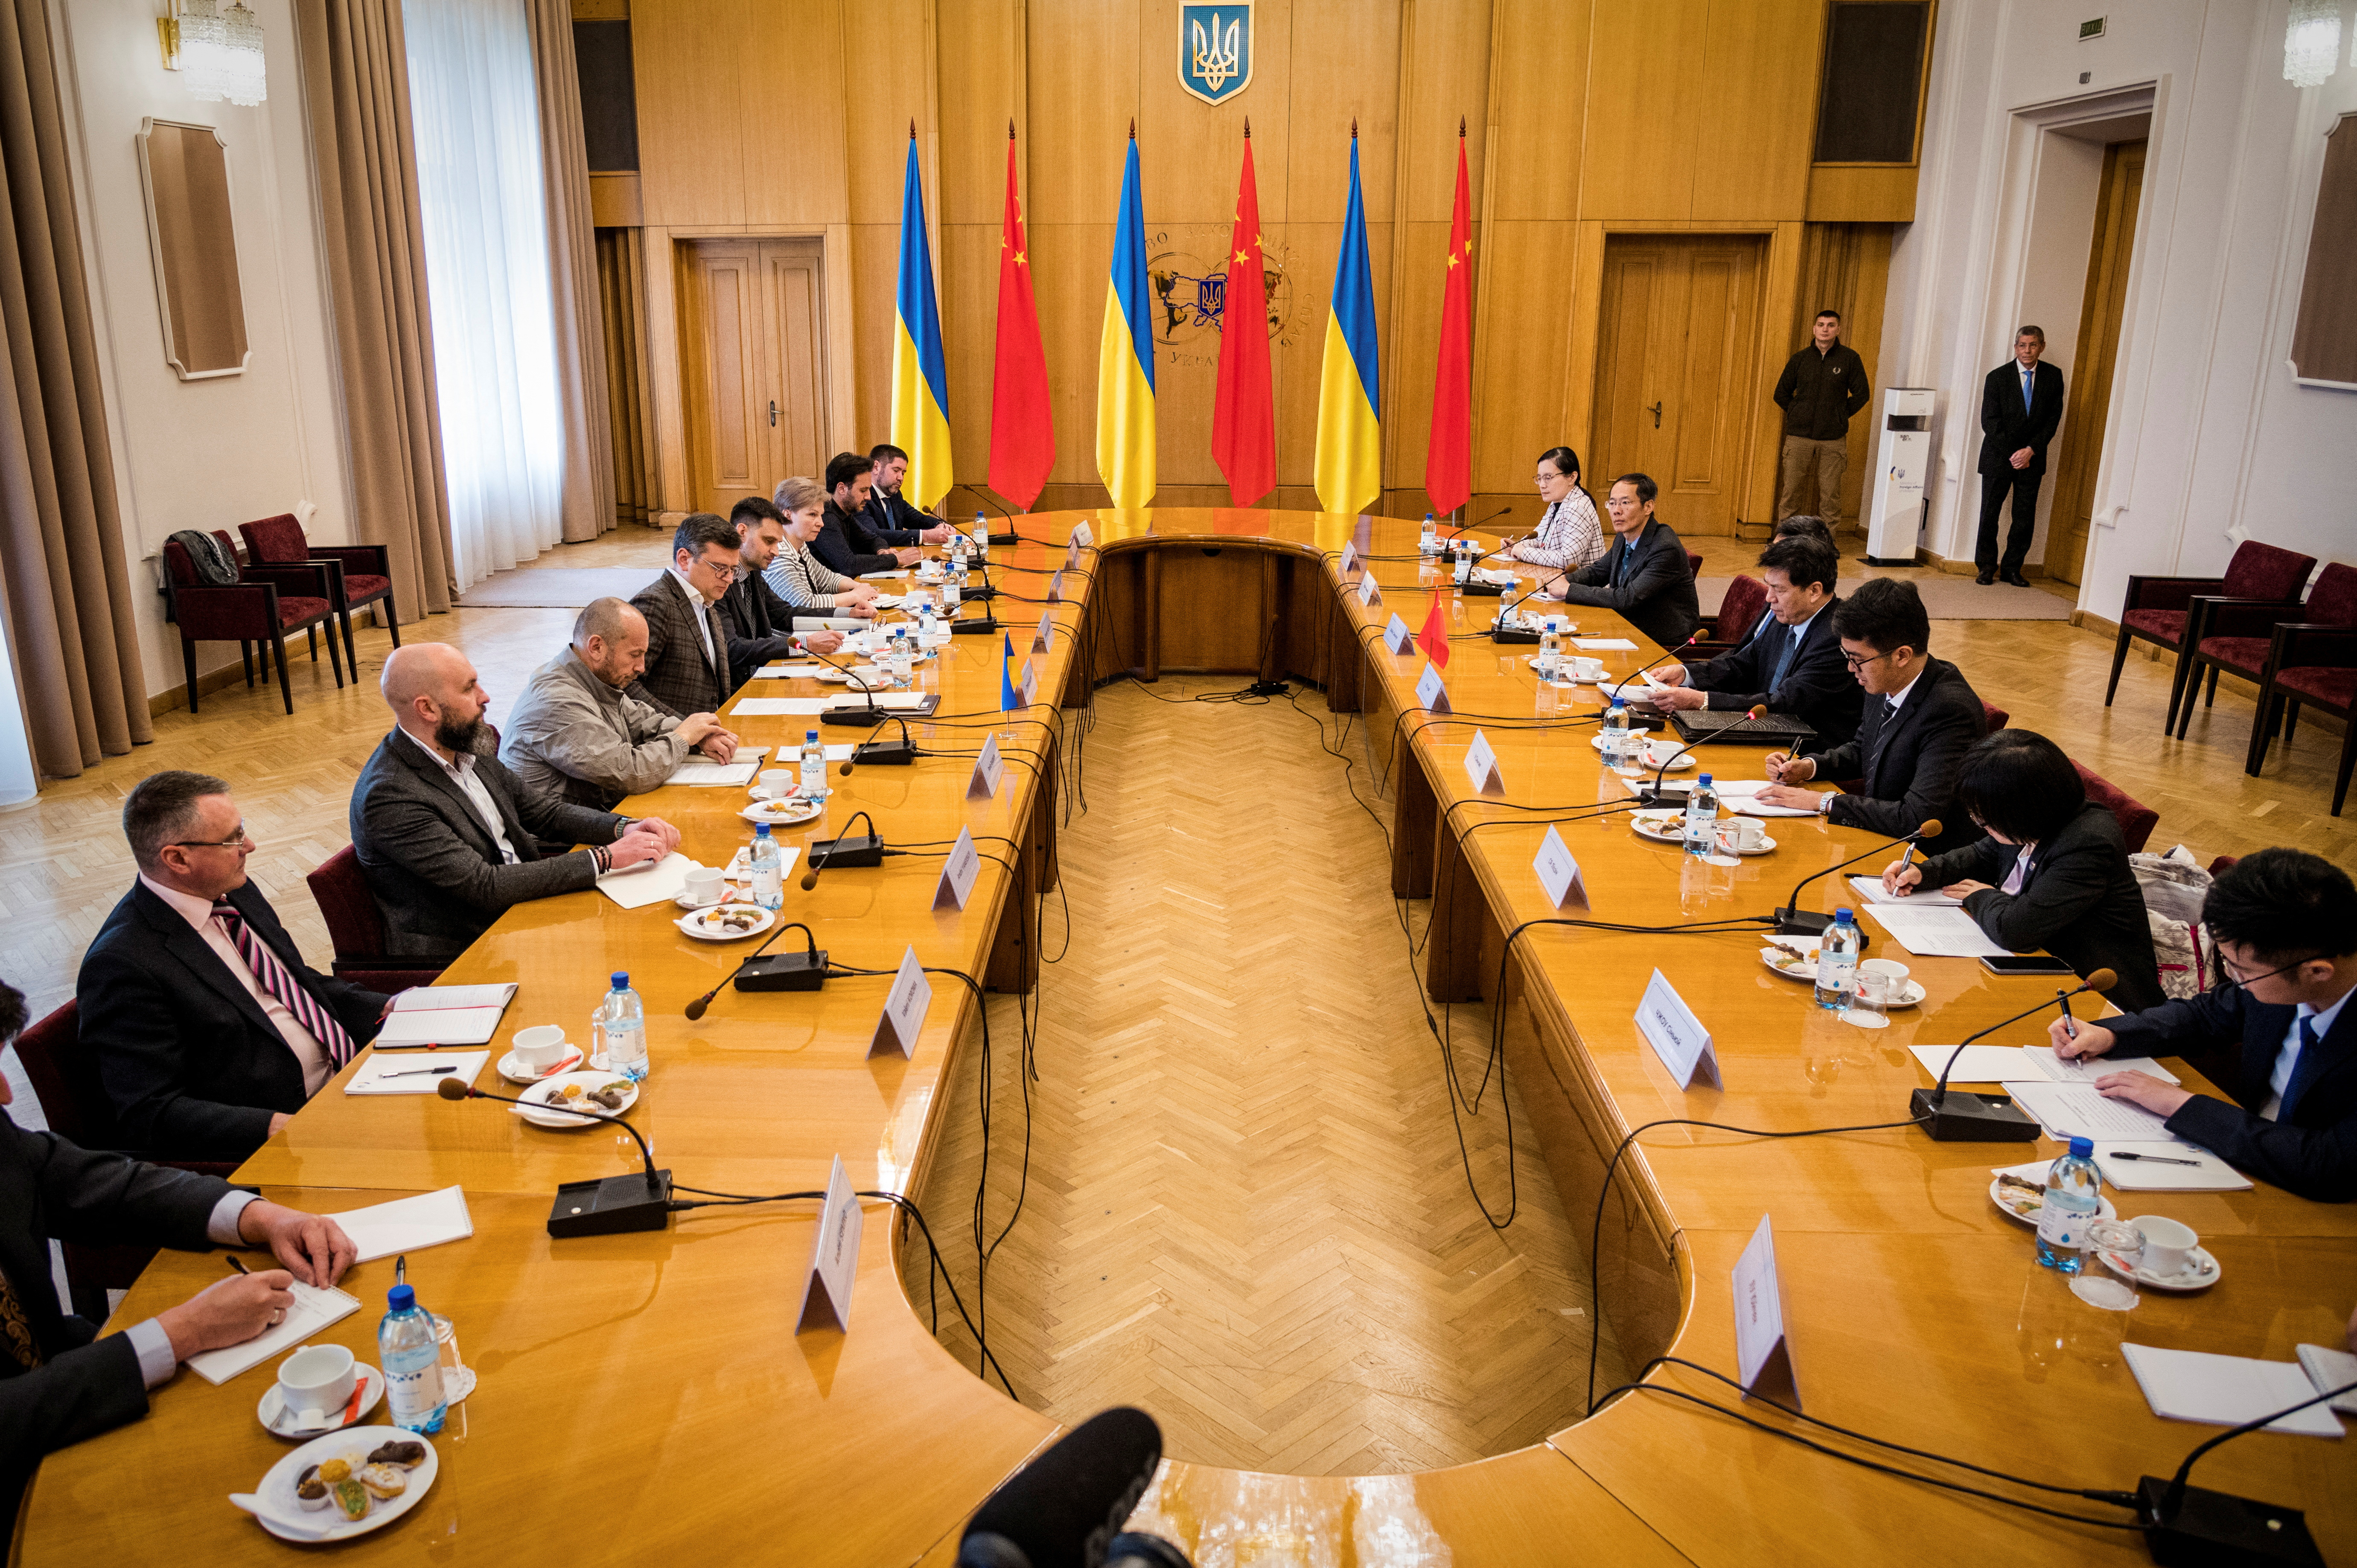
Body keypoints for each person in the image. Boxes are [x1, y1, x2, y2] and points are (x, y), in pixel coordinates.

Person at [1, 978, 359, 1519]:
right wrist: (182, 1332)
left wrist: (258, 1215)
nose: (6, 1094)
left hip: (82, 1399)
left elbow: (106, 1185)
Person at [77, 773, 391, 1158]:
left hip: (357, 1082)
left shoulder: (234, 889)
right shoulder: (123, 965)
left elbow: (296, 982)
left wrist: (386, 1007)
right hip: (284, 1142)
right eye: (233, 839)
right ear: (177, 858)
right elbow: (150, 1111)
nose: (251, 846)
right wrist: (276, 1126)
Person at [2052, 849, 2357, 1202]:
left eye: (2240, 970)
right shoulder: (2279, 976)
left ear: (2317, 972)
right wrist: (2110, 1034)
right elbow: (2206, 1013)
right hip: (2240, 1170)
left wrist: (2181, 1105)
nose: (2233, 978)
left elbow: (2329, 1165)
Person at [351, 644, 679, 958]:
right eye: (469, 688)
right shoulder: (391, 795)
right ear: (427, 709)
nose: (485, 697)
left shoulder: (467, 746)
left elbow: (544, 813)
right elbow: (484, 886)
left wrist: (624, 827)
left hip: (526, 907)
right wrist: (606, 858)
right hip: (472, 948)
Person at [1883, 730, 2164, 1012]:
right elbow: (1983, 853)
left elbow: (2015, 930)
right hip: (2035, 968)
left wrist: (1980, 895)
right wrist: (1922, 872)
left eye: (1985, 819)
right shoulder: (2034, 821)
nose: (1981, 825)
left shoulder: (2087, 843)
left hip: (2095, 999)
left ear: (2024, 810)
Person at [1756, 577, 1986, 857]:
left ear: (1902, 655)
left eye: (1856, 659)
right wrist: (1808, 766)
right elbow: (1863, 748)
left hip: (1920, 860)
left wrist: (1822, 801)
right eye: (1846, 655)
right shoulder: (1883, 678)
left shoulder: (1949, 711)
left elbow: (1916, 817)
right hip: (1876, 837)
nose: (1851, 669)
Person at [500, 599, 738, 812]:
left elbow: (644, 720)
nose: (642, 667)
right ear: (596, 647)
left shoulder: (594, 677)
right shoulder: (555, 701)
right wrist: (684, 737)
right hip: (557, 842)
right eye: (635, 654)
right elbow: (631, 773)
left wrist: (700, 737)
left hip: (593, 815)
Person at [1645, 535, 1863, 742]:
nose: (1769, 598)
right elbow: (1744, 664)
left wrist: (1700, 701)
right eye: (1769, 586)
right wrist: (1687, 674)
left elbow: (1786, 704)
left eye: (1779, 589)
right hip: (1766, 728)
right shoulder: (1788, 616)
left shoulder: (1837, 639)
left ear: (1815, 591)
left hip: (1805, 747)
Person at [1543, 473, 1701, 652]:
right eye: (1612, 503)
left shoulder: (1665, 548)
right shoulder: (1624, 537)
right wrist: (1558, 582)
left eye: (1625, 503)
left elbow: (1628, 598)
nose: (1616, 510)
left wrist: (1568, 590)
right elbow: (1597, 573)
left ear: (1648, 506)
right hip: (1627, 629)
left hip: (1662, 643)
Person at [722, 497, 845, 688]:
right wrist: (804, 643)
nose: (776, 552)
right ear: (742, 533)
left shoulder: (753, 574)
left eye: (778, 543)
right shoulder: (721, 581)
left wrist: (848, 614)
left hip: (765, 677)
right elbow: (733, 649)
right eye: (769, 541)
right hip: (739, 690)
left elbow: (786, 614)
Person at [1975, 326, 2064, 588]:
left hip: (2033, 459)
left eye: (2033, 345)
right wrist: (2015, 453)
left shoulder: (2053, 376)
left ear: (2042, 347)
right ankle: (1986, 567)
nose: (2027, 351)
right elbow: (1989, 422)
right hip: (1998, 457)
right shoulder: (1997, 377)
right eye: (2023, 346)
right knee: (1989, 515)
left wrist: (2030, 451)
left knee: (2024, 517)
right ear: (2015, 348)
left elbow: (2053, 419)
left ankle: (2012, 569)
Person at [629, 513, 741, 718]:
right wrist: (686, 729)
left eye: (733, 569)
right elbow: (628, 685)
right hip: (672, 740)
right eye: (721, 569)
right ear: (684, 559)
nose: (730, 579)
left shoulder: (707, 605)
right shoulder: (655, 604)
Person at [1771, 309, 1871, 530]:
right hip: (1799, 438)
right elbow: (1781, 394)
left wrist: (1839, 415)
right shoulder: (1800, 359)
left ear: (1839, 329)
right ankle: (1785, 540)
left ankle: (1827, 544)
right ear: (1814, 329)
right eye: (1821, 324)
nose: (1825, 329)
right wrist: (1798, 412)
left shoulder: (1850, 359)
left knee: (1830, 495)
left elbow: (1862, 394)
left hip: (1833, 439)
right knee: (1791, 493)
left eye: (1831, 325)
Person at [767, 476, 885, 617]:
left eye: (821, 516)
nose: (821, 523)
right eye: (813, 515)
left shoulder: (800, 546)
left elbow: (827, 579)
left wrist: (859, 587)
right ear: (788, 515)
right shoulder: (778, 554)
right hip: (793, 637)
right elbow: (805, 605)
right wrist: (855, 596)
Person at [814, 451, 923, 580]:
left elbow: (872, 539)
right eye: (863, 490)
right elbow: (849, 564)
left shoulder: (844, 512)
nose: (869, 497)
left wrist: (882, 550)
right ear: (842, 489)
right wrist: (896, 559)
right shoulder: (825, 517)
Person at [1505, 447, 1607, 573]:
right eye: (1539, 478)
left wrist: (1524, 552)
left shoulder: (1578, 507)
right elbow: (1539, 539)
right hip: (1557, 581)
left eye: (1548, 477)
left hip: (1582, 588)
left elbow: (1568, 560)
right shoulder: (1558, 502)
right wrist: (1516, 546)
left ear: (1572, 477)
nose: (1542, 485)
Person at [865, 444, 956, 545]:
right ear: (876, 467)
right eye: (896, 471)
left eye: (903, 473)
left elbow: (917, 519)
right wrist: (924, 536)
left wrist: (938, 525)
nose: (901, 478)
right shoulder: (862, 497)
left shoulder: (895, 495)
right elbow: (874, 535)